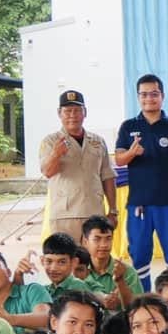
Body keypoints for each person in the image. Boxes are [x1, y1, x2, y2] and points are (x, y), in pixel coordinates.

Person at [116, 73, 168, 277]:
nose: (149, 98)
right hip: (139, 204)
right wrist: (132, 153)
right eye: (144, 94)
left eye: (154, 94)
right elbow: (119, 160)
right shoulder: (128, 126)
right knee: (139, 255)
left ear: (162, 96)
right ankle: (143, 296)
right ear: (138, 97)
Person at [39, 87, 118, 244]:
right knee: (66, 256)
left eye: (77, 110)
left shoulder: (97, 141)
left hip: (94, 212)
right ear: (59, 113)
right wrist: (56, 154)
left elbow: (107, 176)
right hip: (64, 214)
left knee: (94, 256)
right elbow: (47, 172)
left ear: (85, 112)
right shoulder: (50, 141)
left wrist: (113, 210)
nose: (72, 115)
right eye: (67, 111)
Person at [78, 216, 141, 312]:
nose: (104, 245)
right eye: (97, 239)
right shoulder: (76, 270)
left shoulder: (127, 272)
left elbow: (137, 309)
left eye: (108, 239)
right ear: (85, 242)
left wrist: (120, 282)